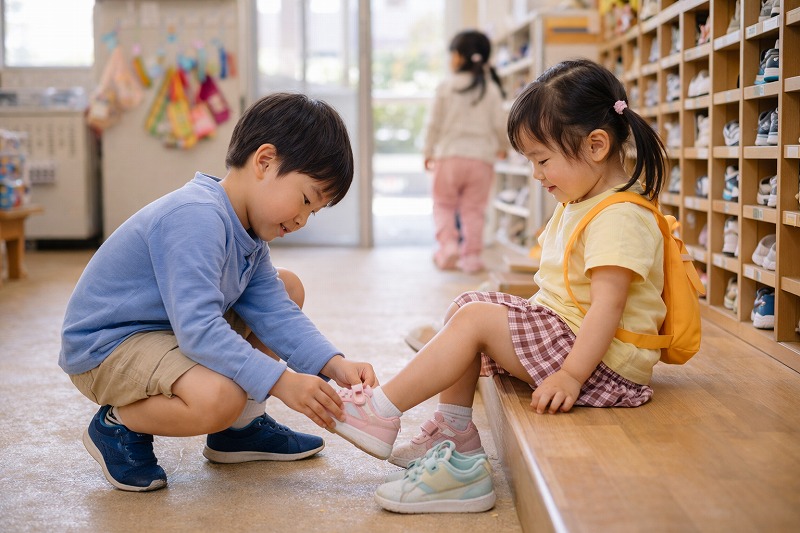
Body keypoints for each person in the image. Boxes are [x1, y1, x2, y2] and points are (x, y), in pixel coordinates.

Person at [330, 59, 669, 468]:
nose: (535, 174)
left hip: (603, 363)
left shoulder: (619, 216)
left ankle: (381, 412)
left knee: (474, 320)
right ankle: (454, 432)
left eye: (542, 161)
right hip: (574, 337)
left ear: (596, 146)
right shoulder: (585, 199)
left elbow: (607, 307)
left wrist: (571, 376)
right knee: (466, 305)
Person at [59, 92, 376, 492]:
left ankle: (240, 429)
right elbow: (199, 330)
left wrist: (333, 365)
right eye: (306, 200)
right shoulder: (197, 216)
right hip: (108, 345)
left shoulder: (249, 234)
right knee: (218, 399)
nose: (302, 220)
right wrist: (282, 381)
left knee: (286, 286)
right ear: (264, 161)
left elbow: (275, 313)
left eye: (313, 212)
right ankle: (116, 424)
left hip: (165, 331)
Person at [422, 29, 509, 274]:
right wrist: (502, 147)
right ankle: (471, 258)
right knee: (473, 210)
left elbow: (433, 123)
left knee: (443, 205)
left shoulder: (446, 87)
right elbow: (499, 123)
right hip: (481, 160)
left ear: (460, 57)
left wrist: (428, 151)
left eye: (451, 54)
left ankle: (448, 247)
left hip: (448, 157)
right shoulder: (491, 89)